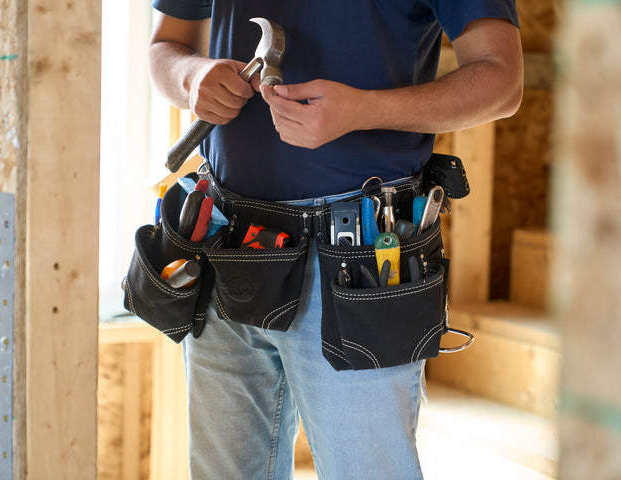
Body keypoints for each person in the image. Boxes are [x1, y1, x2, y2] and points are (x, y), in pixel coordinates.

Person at [148, 2, 522, 479]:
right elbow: (165, 45)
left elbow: (501, 81)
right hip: (223, 240)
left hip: (358, 259)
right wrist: (189, 76)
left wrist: (366, 110)